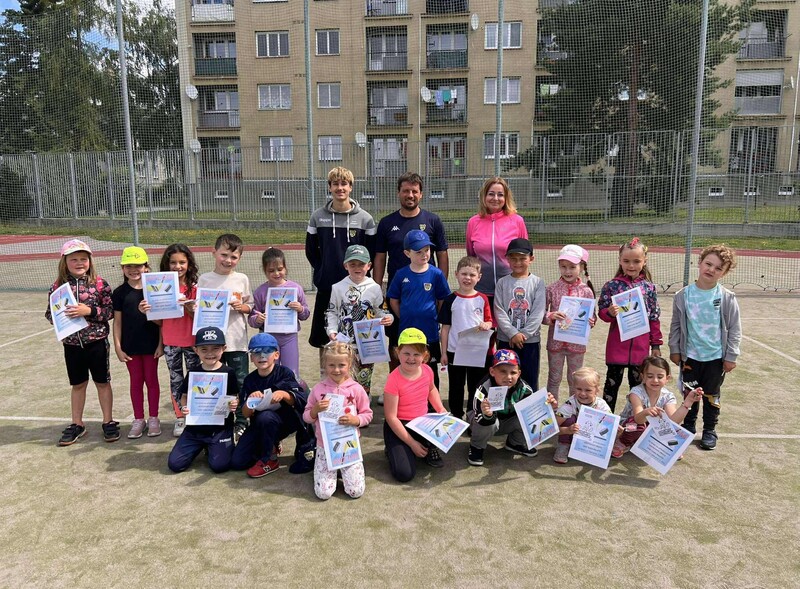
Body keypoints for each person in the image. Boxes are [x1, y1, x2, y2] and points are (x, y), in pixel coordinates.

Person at [373, 172, 449, 384]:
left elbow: (442, 254)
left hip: (426, 294)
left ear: (421, 194)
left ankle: (427, 390)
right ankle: (397, 386)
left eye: (414, 191)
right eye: (406, 191)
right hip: (398, 295)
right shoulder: (387, 222)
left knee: (427, 349)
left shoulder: (433, 220)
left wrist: (439, 284)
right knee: (397, 346)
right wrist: (376, 288)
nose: (410, 195)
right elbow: (380, 257)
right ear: (399, 193)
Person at [46, 239, 119, 446]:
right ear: (65, 262)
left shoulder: (100, 284)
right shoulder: (57, 287)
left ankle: (108, 421)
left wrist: (89, 311)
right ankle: (77, 424)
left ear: (90, 261)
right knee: (78, 384)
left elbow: (110, 312)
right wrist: (58, 316)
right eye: (74, 259)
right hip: (71, 345)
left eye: (83, 259)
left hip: (96, 343)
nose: (79, 263)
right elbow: (49, 314)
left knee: (102, 382)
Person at [669, 244, 741, 451]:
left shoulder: (727, 297)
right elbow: (676, 325)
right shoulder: (683, 295)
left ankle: (709, 429)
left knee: (711, 395)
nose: (711, 270)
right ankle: (688, 426)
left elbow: (734, 328)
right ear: (700, 263)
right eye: (708, 264)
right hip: (690, 357)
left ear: (724, 273)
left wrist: (731, 355)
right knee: (690, 393)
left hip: (716, 358)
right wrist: (675, 348)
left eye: (718, 268)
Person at [305, 166, 377, 358]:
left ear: (351, 187)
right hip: (327, 288)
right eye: (335, 184)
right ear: (329, 187)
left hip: (356, 290)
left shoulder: (365, 219)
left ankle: (355, 377)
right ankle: (325, 376)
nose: (340, 188)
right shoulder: (317, 217)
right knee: (325, 340)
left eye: (344, 183)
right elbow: (311, 251)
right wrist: (322, 271)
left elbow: (371, 253)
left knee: (356, 340)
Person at [232, 333, 312, 477]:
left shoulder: (285, 373)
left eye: (267, 351)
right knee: (238, 462)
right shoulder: (250, 380)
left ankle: (270, 459)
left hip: (287, 421)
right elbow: (245, 413)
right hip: (261, 424)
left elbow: (301, 401)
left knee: (266, 416)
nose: (262, 356)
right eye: (256, 352)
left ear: (276, 355)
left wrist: (284, 394)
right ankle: (271, 443)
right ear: (251, 358)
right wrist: (250, 402)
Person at [197, 233, 252, 438]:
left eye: (233, 257)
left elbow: (250, 306)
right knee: (214, 382)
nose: (228, 260)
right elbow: (200, 308)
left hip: (236, 341)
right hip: (212, 343)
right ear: (214, 253)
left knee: (240, 381)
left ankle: (241, 421)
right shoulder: (204, 279)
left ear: (239, 258)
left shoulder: (242, 279)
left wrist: (242, 307)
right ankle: (217, 421)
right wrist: (194, 307)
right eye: (224, 255)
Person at [598, 237, 662, 412]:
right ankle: (606, 419)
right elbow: (602, 312)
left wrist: (656, 344)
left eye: (636, 261)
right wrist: (609, 312)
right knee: (611, 388)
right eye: (626, 261)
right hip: (616, 348)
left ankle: (637, 419)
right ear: (620, 260)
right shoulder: (611, 286)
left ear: (644, 261)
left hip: (640, 350)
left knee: (638, 389)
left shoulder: (649, 288)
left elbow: (654, 317)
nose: (631, 265)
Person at [304, 342, 373, 500]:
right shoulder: (318, 389)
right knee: (323, 493)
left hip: (349, 446)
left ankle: (344, 471)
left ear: (349, 364)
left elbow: (368, 414)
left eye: (341, 365)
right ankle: (330, 471)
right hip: (325, 447)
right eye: (331, 365)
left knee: (356, 491)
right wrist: (314, 411)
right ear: (324, 364)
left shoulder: (356, 389)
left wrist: (356, 420)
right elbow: (306, 416)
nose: (336, 370)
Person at [167, 327, 239, 473]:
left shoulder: (229, 372)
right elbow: (184, 396)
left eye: (215, 348)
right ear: (196, 350)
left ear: (223, 349)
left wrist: (234, 404)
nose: (210, 353)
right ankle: (201, 445)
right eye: (204, 349)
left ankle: (214, 445)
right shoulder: (193, 372)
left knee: (220, 466)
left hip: (219, 429)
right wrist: (184, 408)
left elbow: (234, 396)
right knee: (175, 464)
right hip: (195, 429)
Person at [326, 244, 393, 400]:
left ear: (369, 266)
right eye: (353, 264)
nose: (357, 268)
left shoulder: (374, 287)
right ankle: (345, 405)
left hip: (367, 344)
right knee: (344, 376)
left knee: (364, 377)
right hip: (344, 344)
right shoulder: (337, 288)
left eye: (361, 264)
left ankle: (363, 403)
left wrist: (388, 317)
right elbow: (332, 312)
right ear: (345, 265)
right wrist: (332, 331)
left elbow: (380, 310)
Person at [146, 243, 200, 437]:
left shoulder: (195, 288)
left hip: (193, 343)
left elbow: (198, 318)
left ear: (189, 263)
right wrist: (147, 311)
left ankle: (193, 415)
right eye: (173, 263)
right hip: (171, 342)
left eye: (182, 262)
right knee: (176, 380)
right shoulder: (160, 287)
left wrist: (188, 307)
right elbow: (160, 321)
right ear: (166, 264)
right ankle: (180, 417)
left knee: (194, 379)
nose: (178, 266)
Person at [387, 230, 451, 390]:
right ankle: (409, 399)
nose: (424, 255)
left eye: (427, 250)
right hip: (407, 332)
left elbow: (442, 299)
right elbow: (393, 300)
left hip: (430, 332)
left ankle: (431, 401)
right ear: (407, 253)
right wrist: (403, 316)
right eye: (418, 252)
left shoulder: (436, 274)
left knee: (430, 370)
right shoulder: (401, 274)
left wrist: (435, 316)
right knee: (408, 368)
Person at [383, 328, 448, 482]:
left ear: (424, 355)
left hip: (422, 423)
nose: (411, 358)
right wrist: (412, 443)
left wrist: (440, 408)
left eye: (416, 354)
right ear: (398, 352)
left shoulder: (427, 370)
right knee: (404, 474)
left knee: (445, 429)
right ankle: (395, 447)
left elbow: (431, 389)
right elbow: (391, 417)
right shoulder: (393, 379)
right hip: (399, 425)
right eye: (406, 353)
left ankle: (427, 445)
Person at [112, 246, 163, 439]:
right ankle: (139, 419)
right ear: (123, 268)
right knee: (135, 382)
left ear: (146, 267)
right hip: (130, 347)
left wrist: (161, 344)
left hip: (151, 346)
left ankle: (154, 418)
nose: (134, 270)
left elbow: (162, 321)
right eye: (129, 266)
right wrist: (118, 347)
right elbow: (117, 322)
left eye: (138, 266)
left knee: (152, 381)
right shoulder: (119, 293)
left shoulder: (154, 290)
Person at [467, 349, 550, 467]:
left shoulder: (525, 389)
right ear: (492, 371)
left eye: (513, 372)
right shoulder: (483, 388)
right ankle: (476, 446)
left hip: (507, 421)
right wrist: (487, 414)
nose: (508, 377)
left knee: (528, 416)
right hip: (482, 421)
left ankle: (515, 443)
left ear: (519, 373)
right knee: (488, 422)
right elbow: (477, 416)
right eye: (503, 371)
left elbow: (534, 416)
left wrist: (546, 405)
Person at [612, 356, 703, 458]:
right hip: (629, 427)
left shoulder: (668, 396)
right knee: (640, 426)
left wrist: (688, 402)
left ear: (667, 378)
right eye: (650, 376)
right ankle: (622, 442)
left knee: (671, 428)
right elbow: (638, 419)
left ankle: (658, 446)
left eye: (660, 377)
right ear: (643, 376)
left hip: (650, 428)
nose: (655, 380)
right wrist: (646, 412)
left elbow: (673, 421)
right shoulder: (636, 393)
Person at [438, 255, 493, 420]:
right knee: (456, 386)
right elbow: (445, 328)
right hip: (455, 351)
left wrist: (487, 325)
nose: (467, 278)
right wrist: (444, 352)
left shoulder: (482, 299)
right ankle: (456, 415)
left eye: (472, 275)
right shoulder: (450, 299)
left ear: (479, 277)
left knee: (476, 386)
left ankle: (473, 414)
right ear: (456, 274)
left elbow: (489, 321)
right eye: (464, 274)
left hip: (476, 352)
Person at [542, 244, 596, 401]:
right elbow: (541, 315)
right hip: (555, 344)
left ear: (582, 267)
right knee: (554, 379)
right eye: (563, 266)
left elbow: (592, 316)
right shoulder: (551, 288)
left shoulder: (586, 291)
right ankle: (552, 409)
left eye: (572, 267)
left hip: (577, 345)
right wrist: (551, 316)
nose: (567, 271)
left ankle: (573, 410)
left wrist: (591, 321)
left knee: (575, 381)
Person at [465, 176, 528, 305]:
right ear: (484, 196)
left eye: (500, 195)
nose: (495, 198)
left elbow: (525, 256)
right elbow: (471, 256)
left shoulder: (517, 221)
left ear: (506, 198)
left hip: (511, 291)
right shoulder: (473, 222)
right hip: (481, 291)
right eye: (491, 194)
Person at [248, 247, 310, 377]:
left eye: (280, 269)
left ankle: (290, 390)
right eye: (271, 270)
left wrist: (300, 309)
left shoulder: (296, 288)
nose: (276, 273)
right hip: (268, 339)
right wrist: (257, 319)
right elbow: (252, 318)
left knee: (291, 372)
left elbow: (305, 314)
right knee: (270, 371)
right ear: (264, 271)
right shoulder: (260, 291)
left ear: (285, 268)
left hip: (289, 337)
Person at [494, 238, 546, 390]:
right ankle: (505, 405)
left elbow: (538, 311)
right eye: (513, 258)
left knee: (529, 379)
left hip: (529, 341)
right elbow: (499, 310)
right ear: (507, 259)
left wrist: (524, 334)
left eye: (522, 258)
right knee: (504, 378)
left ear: (531, 259)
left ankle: (529, 405)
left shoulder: (538, 283)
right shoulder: (502, 283)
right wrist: (512, 333)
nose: (518, 263)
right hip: (506, 340)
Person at [551, 367, 611, 464]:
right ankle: (564, 445)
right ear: (573, 387)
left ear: (597, 390)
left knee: (605, 425)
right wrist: (567, 430)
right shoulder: (569, 405)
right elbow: (551, 428)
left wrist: (617, 432)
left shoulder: (602, 405)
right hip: (572, 433)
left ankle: (592, 450)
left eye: (588, 390)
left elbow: (610, 429)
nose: (583, 393)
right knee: (569, 419)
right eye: (579, 389)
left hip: (591, 438)